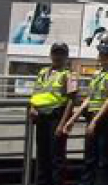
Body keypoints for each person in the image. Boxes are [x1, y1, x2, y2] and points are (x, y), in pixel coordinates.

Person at [64, 43, 108, 185]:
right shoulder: (97, 75)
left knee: (103, 159)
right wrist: (72, 119)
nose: (98, 57)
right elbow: (89, 98)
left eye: (101, 54)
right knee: (89, 157)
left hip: (105, 119)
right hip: (92, 117)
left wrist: (95, 121)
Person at [29, 42, 78, 185]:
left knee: (57, 158)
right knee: (42, 156)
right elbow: (36, 92)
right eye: (55, 53)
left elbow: (72, 100)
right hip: (41, 118)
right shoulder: (43, 72)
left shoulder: (70, 75)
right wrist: (32, 107)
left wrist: (62, 124)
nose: (58, 56)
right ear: (51, 54)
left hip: (57, 117)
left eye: (61, 53)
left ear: (66, 56)